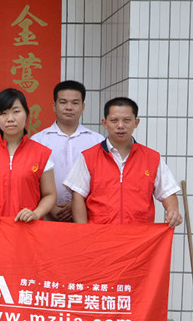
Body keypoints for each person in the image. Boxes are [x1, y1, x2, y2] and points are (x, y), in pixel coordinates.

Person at [64, 97, 182, 227]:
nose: (120, 126)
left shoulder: (152, 158)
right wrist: (83, 231)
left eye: (127, 120)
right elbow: (78, 196)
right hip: (99, 234)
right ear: (104, 123)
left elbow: (168, 193)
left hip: (139, 234)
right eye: (114, 120)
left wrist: (173, 210)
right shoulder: (88, 157)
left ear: (136, 122)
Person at [0, 88, 56, 223]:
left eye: (16, 112)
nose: (10, 119)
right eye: (3, 113)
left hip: (27, 227)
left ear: (26, 114)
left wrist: (36, 214)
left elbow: (50, 194)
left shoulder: (41, 153)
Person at [31, 80, 104, 221]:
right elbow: (31, 180)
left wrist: (76, 204)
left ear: (83, 107)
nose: (69, 107)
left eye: (75, 103)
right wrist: (49, 206)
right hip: (46, 216)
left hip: (86, 216)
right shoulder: (38, 140)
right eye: (63, 102)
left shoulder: (97, 141)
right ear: (54, 106)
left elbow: (102, 181)